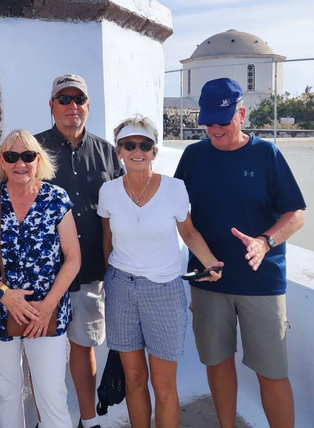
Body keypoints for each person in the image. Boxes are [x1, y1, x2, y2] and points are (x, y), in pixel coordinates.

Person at [174, 78, 306, 428]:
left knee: (272, 371)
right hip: (209, 281)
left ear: (242, 114)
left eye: (223, 120)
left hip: (261, 281)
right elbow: (179, 216)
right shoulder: (193, 156)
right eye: (208, 122)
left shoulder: (267, 154)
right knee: (217, 363)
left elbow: (296, 214)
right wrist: (204, 260)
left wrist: (265, 242)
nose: (214, 129)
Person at [97, 115, 223, 428]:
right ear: (119, 151)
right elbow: (106, 241)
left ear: (155, 151)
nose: (136, 150)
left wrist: (212, 263)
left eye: (144, 144)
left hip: (163, 292)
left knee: (164, 386)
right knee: (134, 379)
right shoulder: (108, 192)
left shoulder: (175, 189)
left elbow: (190, 233)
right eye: (129, 144)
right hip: (121, 288)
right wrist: (106, 284)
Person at [0, 129, 81, 428]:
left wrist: (47, 306)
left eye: (27, 156)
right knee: (6, 395)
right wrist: (6, 296)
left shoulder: (56, 199)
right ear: (2, 161)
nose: (20, 163)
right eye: (12, 156)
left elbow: (73, 258)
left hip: (46, 314)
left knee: (51, 394)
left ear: (37, 159)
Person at [35, 73, 123, 428]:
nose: (73, 106)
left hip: (91, 273)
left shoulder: (108, 152)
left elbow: (121, 210)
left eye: (79, 99)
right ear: (52, 105)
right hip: (46, 276)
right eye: (65, 99)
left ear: (88, 106)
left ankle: (88, 421)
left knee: (84, 347)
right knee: (43, 355)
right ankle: (48, 421)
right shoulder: (34, 150)